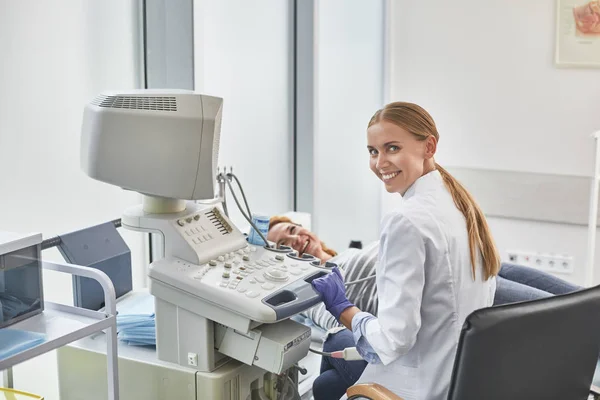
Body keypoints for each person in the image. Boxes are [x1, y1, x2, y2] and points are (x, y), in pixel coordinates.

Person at [293, 102, 499, 400]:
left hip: (422, 387)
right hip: (462, 377)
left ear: (429, 146)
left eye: (392, 148)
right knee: (327, 383)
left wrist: (343, 308)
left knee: (331, 362)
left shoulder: (406, 220)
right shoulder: (457, 202)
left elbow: (393, 340)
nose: (380, 163)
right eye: (373, 151)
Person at [268, 215, 582, 330]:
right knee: (567, 314)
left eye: (294, 229)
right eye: (285, 243)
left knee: (578, 297)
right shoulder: (317, 288)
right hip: (447, 290)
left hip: (462, 265)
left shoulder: (349, 254)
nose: (296, 238)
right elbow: (338, 326)